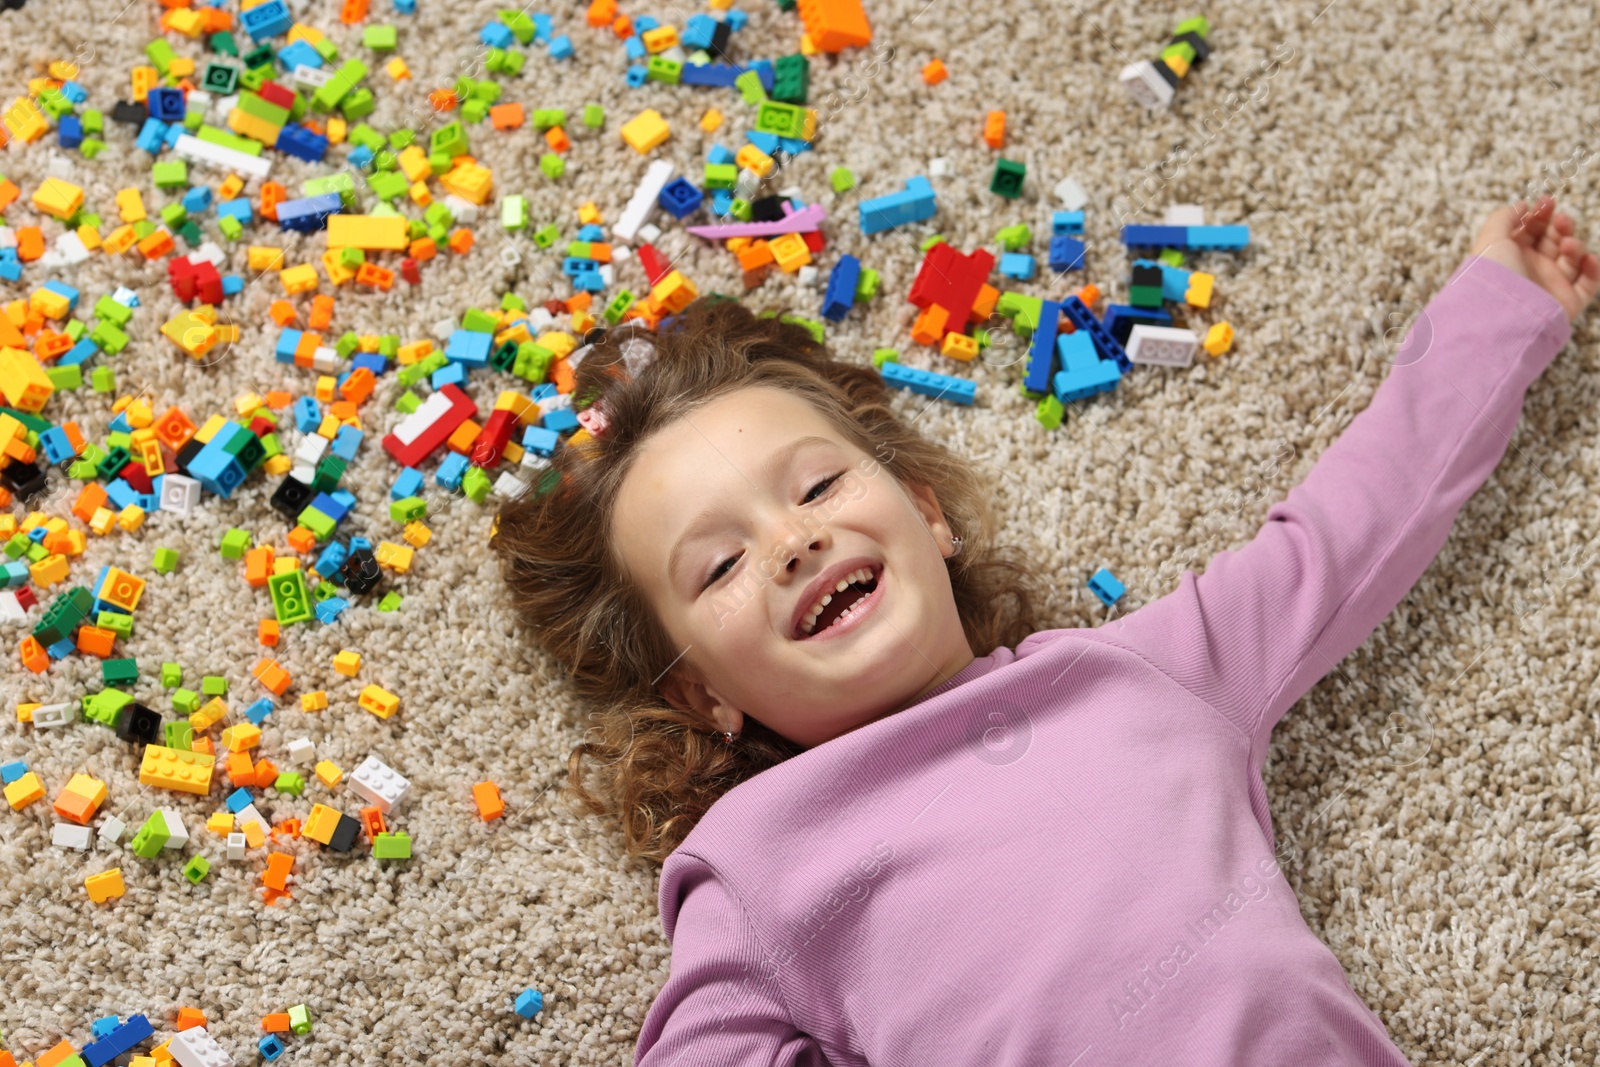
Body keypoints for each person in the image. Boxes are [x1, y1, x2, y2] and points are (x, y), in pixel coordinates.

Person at [491, 197, 1599, 1064]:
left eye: (819, 484)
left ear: (925, 512)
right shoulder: (752, 864)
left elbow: (1349, 524)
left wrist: (1500, 305)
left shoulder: (1137, 672)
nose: (790, 541)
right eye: (721, 563)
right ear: (700, 695)